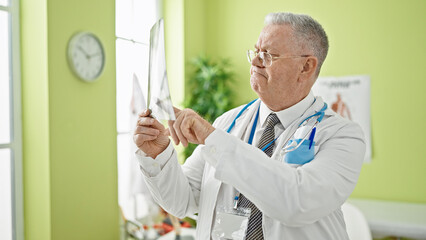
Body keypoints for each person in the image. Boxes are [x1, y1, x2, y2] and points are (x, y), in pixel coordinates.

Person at [134, 12, 365, 240]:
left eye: (268, 55)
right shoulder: (228, 123)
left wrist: (212, 138)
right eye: (256, 51)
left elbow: (298, 202)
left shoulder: (342, 136)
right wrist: (158, 154)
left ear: (306, 67)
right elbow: (182, 200)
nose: (255, 62)